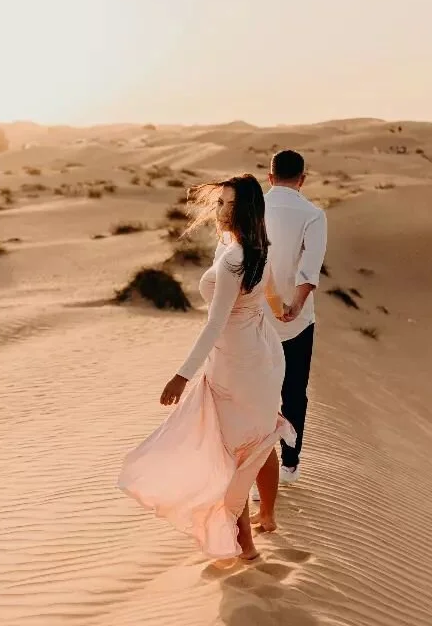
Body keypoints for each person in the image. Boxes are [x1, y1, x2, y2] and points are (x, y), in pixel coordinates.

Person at [117, 174, 296, 561]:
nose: (221, 211)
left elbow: (215, 323)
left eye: (230, 205)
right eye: (220, 203)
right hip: (262, 355)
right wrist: (281, 309)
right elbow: (269, 293)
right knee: (255, 440)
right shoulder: (258, 248)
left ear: (247, 210)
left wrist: (181, 376)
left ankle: (244, 544)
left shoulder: (234, 259)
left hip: (237, 362)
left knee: (230, 450)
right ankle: (260, 521)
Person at [260, 149, 328, 487]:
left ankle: (257, 465)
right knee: (294, 391)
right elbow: (309, 266)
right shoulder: (313, 214)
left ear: (270, 178)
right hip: (297, 322)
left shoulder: (251, 208)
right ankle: (289, 464)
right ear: (302, 179)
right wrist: (296, 305)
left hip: (253, 318)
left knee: (258, 391)